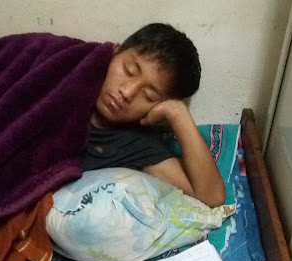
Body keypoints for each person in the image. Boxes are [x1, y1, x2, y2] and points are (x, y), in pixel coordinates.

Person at [84, 23, 225, 208]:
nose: (127, 92)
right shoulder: (70, 78)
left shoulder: (134, 145)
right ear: (115, 52)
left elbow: (212, 196)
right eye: (129, 70)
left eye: (148, 95)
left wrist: (177, 112)